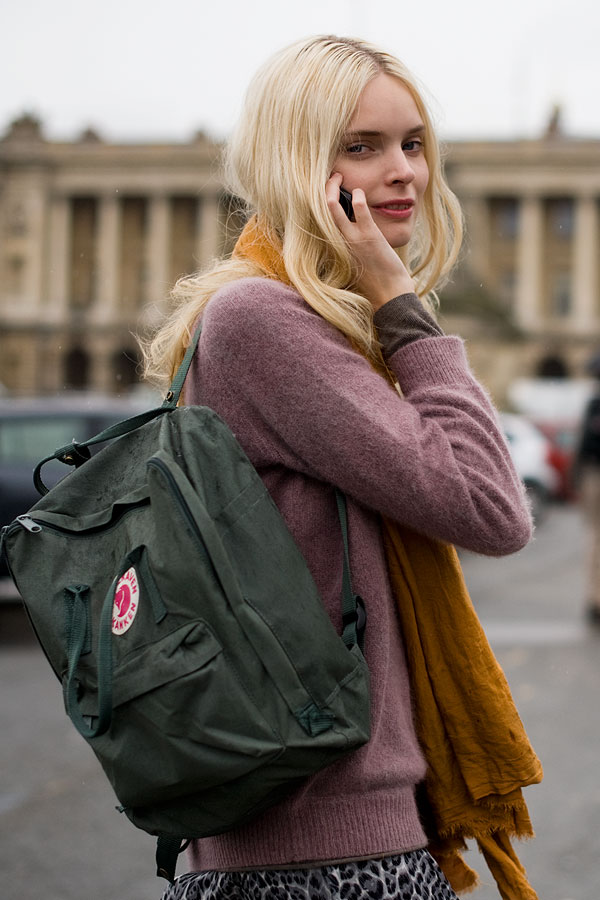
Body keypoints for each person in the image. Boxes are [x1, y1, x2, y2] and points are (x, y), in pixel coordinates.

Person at [143, 35, 537, 900]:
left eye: (413, 143)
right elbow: (488, 505)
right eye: (361, 147)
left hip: (332, 842)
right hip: (319, 856)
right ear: (297, 162)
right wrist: (404, 305)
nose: (403, 172)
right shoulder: (265, 321)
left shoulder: (312, 323)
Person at [575, 354, 600, 625]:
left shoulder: (593, 404)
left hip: (594, 473)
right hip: (593, 473)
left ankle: (595, 598)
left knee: (594, 537)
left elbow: (583, 444)